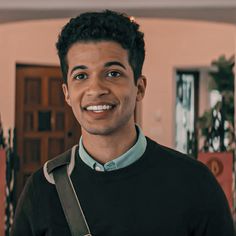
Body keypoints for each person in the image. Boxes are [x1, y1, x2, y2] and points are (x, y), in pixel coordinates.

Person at [11, 10, 235, 236]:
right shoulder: (42, 189)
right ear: (67, 93)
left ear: (139, 88)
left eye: (113, 73)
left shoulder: (194, 183)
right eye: (81, 76)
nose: (96, 89)